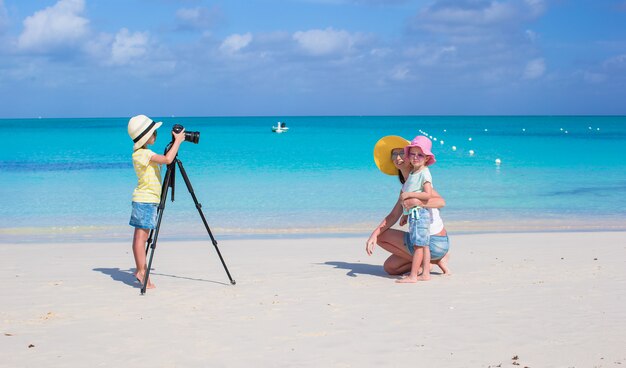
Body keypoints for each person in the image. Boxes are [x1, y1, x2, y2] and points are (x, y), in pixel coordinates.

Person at [366, 135, 450, 279]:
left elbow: (441, 202)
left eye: (401, 153)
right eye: (394, 154)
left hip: (434, 241)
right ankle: (427, 263)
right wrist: (373, 234)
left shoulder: (421, 178)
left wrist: (417, 202)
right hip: (425, 242)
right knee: (390, 268)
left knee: (383, 236)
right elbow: (393, 216)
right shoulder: (406, 186)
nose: (397, 157)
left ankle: (429, 261)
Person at [127, 115, 185, 289]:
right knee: (140, 238)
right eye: (154, 133)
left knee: (141, 237)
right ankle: (141, 271)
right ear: (146, 136)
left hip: (146, 200)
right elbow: (167, 160)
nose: (156, 135)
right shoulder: (143, 154)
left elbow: (165, 159)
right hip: (145, 201)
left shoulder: (142, 154)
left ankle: (141, 270)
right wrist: (178, 141)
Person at [397, 136, 436, 283]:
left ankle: (413, 276)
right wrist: (405, 215)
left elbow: (428, 195)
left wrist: (409, 194)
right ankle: (425, 273)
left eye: (420, 155)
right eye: (412, 154)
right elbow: (410, 201)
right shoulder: (413, 174)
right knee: (423, 244)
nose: (415, 157)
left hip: (420, 214)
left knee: (418, 245)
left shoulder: (424, 173)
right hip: (414, 214)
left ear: (426, 158)